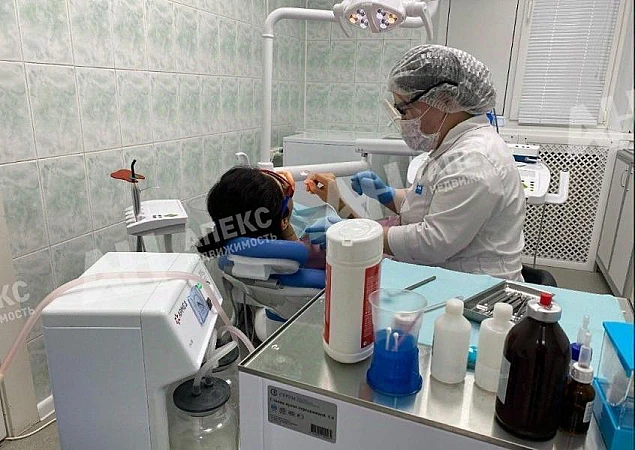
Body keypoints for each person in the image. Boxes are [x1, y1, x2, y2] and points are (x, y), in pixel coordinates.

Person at [304, 44, 526, 281]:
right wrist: (387, 194)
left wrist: (352, 231)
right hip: (448, 276)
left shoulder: (474, 160)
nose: (402, 121)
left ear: (445, 100)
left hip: (475, 286)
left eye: (405, 110)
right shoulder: (452, 146)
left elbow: (432, 242)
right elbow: (428, 202)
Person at [197, 166, 325, 269]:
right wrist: (336, 202)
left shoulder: (233, 251)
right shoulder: (318, 251)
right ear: (283, 222)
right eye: (287, 191)